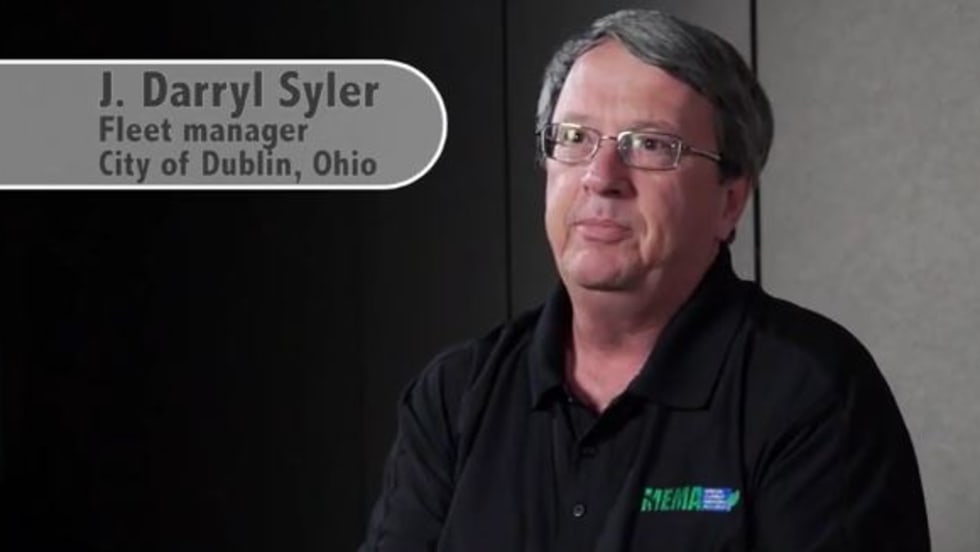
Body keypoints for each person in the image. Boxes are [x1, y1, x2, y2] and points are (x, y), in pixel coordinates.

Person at [360, 9, 930, 552]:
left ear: (730, 201)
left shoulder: (814, 392)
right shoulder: (454, 397)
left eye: (652, 145)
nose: (601, 177)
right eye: (575, 138)